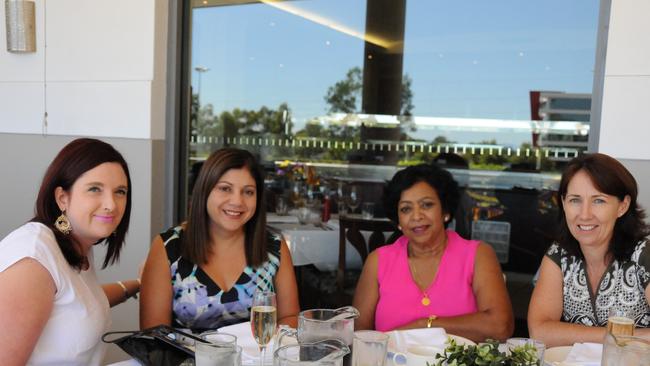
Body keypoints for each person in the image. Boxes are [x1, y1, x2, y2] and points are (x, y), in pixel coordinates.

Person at [0, 138, 140, 365]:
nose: (111, 204)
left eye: (120, 192)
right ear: (62, 198)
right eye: (95, 189)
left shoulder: (74, 242)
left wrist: (136, 284)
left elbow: (77, 299)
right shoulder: (33, 258)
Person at [140, 148, 299, 332]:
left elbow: (290, 318)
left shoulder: (274, 248)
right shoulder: (168, 247)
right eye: (225, 188)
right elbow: (153, 336)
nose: (237, 201)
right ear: (205, 190)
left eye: (248, 192)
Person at [353, 164, 514, 342]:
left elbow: (500, 326)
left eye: (426, 205)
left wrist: (424, 326)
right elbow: (359, 336)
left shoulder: (477, 255)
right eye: (406, 209)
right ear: (398, 220)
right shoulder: (379, 260)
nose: (416, 216)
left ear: (445, 211)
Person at [528, 153, 650, 346]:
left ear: (622, 206)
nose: (584, 215)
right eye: (575, 200)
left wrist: (569, 334)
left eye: (598, 200)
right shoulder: (559, 254)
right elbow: (540, 331)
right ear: (564, 203)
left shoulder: (644, 255)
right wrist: (620, 336)